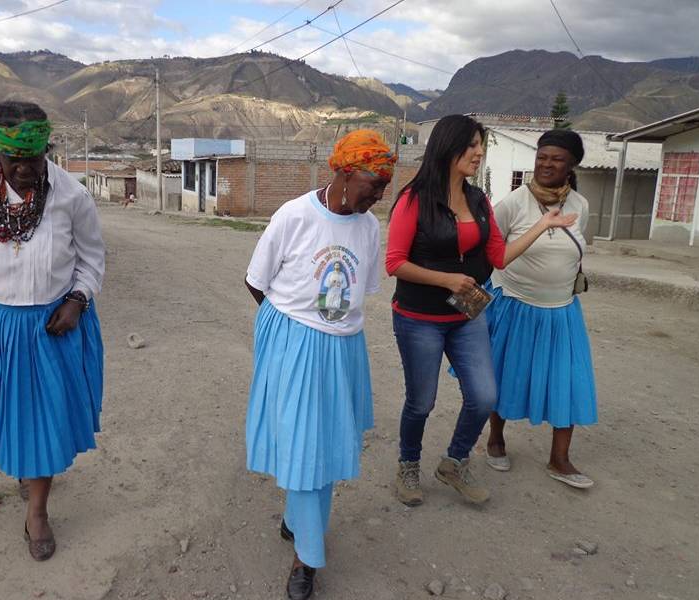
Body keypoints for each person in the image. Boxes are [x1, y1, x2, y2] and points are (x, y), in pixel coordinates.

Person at [0, 101, 105, 561]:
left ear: (45, 150)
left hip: (51, 326)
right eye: (15, 160)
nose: (26, 169)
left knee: (45, 418)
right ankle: (25, 467)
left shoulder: (72, 195)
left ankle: (38, 513)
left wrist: (77, 300)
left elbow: (92, 258)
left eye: (34, 158)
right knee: (1, 409)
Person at [385, 115, 576, 507]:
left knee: (485, 396)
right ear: (448, 147)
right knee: (422, 401)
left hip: (467, 313)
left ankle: (454, 462)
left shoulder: (478, 199)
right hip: (419, 318)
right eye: (472, 145)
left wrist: (543, 225)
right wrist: (447, 280)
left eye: (481, 145)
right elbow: (395, 263)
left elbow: (499, 257)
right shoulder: (414, 199)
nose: (479, 152)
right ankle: (408, 464)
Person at [244, 130, 395, 600]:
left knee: (322, 445)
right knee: (306, 444)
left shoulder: (369, 228)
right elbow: (256, 282)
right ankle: (307, 557)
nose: (379, 195)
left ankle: (295, 520)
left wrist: (328, 330)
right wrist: (292, 331)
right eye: (373, 184)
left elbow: (358, 294)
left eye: (385, 186)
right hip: (295, 342)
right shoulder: (294, 215)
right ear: (345, 173)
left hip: (345, 349)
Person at [483, 129, 598, 488]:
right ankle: (495, 440)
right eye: (542, 157)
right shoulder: (513, 203)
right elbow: (492, 253)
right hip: (515, 306)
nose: (547, 164)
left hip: (562, 311)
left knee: (569, 381)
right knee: (505, 375)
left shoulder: (580, 205)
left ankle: (559, 460)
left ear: (572, 165)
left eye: (557, 159)